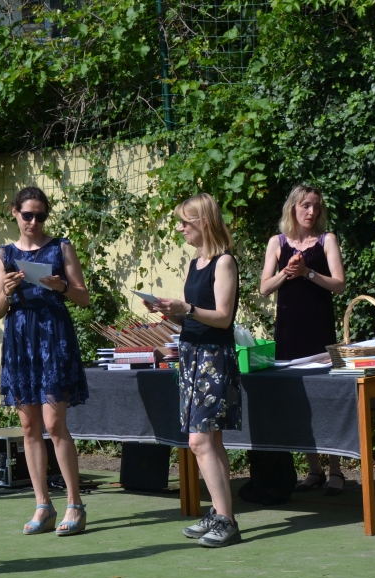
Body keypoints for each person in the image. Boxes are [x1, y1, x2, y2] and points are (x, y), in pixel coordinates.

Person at [0, 187, 91, 536]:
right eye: (28, 215)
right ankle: (43, 505)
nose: (34, 221)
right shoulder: (4, 254)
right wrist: (7, 291)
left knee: (54, 423)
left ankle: (75, 504)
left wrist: (61, 287)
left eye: (41, 215)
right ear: (14, 212)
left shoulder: (61, 247)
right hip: (20, 341)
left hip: (53, 337)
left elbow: (83, 298)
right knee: (29, 427)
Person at [146, 193, 243, 548]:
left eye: (185, 222)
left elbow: (223, 317)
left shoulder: (224, 262)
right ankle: (220, 512)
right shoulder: (195, 263)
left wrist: (185, 308)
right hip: (191, 356)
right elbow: (194, 317)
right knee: (209, 440)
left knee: (199, 440)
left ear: (204, 221)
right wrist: (169, 312)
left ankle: (226, 520)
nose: (180, 228)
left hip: (214, 358)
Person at [258, 185, 348, 496]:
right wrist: (287, 273)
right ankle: (314, 470)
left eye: (316, 207)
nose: (311, 212)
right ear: (293, 208)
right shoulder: (277, 242)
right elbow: (264, 288)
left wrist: (308, 272)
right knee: (300, 401)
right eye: (306, 206)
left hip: (319, 329)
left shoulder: (326, 240)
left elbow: (339, 285)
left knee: (327, 397)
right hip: (288, 330)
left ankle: (336, 470)